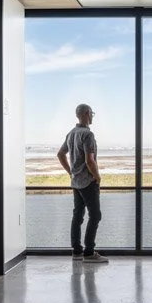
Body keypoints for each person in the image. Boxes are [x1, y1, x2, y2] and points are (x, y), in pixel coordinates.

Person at [57, 104, 108, 263]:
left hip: (76, 182)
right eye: (92, 113)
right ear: (86, 113)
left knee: (77, 216)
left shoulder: (71, 133)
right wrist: (97, 176)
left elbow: (60, 154)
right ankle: (89, 253)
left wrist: (70, 172)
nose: (92, 116)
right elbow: (89, 160)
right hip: (88, 182)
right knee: (95, 215)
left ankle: (77, 251)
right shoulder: (87, 134)